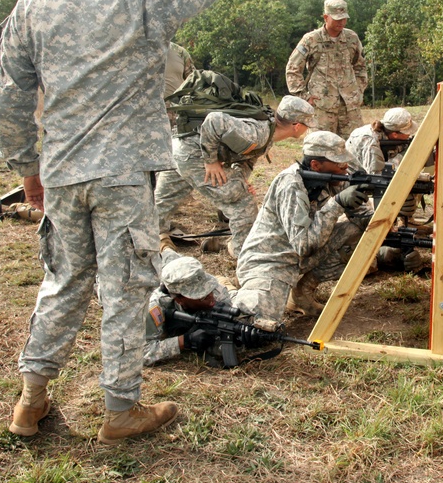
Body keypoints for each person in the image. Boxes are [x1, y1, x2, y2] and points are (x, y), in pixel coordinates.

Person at [0, 0, 247, 444]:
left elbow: (10, 98)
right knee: (126, 288)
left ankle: (29, 403)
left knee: (63, 282)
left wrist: (26, 168)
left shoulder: (31, 4)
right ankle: (120, 411)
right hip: (121, 175)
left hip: (62, 172)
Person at [232, 131, 376, 324]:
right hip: (271, 262)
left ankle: (302, 291)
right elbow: (303, 244)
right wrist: (337, 204)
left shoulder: (333, 177)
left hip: (299, 257)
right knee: (253, 320)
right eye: (339, 165)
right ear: (316, 165)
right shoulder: (290, 185)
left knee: (359, 233)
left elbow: (362, 218)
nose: (345, 169)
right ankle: (224, 288)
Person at [154, 95, 315, 259]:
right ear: (296, 126)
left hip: (181, 148)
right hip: (194, 157)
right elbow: (214, 120)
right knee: (243, 204)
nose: (307, 129)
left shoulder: (268, 129)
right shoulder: (259, 132)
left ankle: (153, 236)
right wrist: (211, 161)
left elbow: (246, 161)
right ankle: (243, 256)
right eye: (306, 125)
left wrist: (240, 179)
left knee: (164, 198)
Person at [285, 0, 368, 138]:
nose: (341, 22)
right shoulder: (311, 39)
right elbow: (293, 68)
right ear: (326, 17)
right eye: (337, 19)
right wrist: (303, 97)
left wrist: (358, 91)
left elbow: (360, 67)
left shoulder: (351, 38)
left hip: (350, 109)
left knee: (355, 148)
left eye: (344, 18)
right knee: (320, 150)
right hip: (322, 109)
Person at [144, 252, 235, 366]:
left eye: (209, 291)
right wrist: (184, 341)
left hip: (179, 265)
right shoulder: (155, 308)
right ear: (179, 300)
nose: (211, 299)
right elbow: (142, 353)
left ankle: (226, 283)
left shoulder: (217, 292)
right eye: (201, 297)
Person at [345, 107, 428, 230]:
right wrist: (406, 159)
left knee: (417, 179)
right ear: (395, 134)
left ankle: (406, 220)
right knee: (412, 180)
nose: (410, 135)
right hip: (357, 180)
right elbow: (377, 176)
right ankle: (387, 226)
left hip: (373, 172)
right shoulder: (370, 141)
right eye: (407, 133)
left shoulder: (389, 136)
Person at [164, 42, 195, 127]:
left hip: (176, 118)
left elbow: (194, 83)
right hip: (146, 118)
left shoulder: (180, 52)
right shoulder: (134, 51)